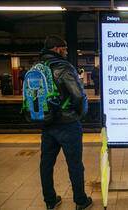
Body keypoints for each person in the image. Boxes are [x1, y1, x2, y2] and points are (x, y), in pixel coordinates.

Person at [39, 35, 92, 210]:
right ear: (57, 48)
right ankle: (80, 201)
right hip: (67, 123)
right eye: (65, 48)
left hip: (47, 124)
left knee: (46, 163)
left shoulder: (38, 67)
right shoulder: (63, 67)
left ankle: (50, 201)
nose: (66, 51)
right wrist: (80, 114)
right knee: (75, 163)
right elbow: (77, 95)